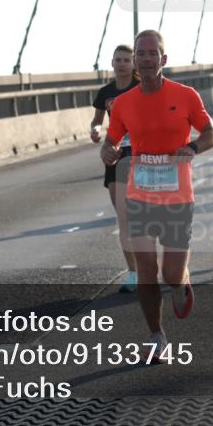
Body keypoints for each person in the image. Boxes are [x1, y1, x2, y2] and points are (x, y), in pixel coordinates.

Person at [102, 30, 213, 362]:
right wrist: (108, 151)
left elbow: (212, 133)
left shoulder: (185, 96)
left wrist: (193, 147)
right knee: (145, 269)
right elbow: (111, 140)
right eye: (142, 53)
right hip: (140, 196)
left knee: (169, 275)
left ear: (163, 59)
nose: (147, 58)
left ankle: (181, 282)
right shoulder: (124, 103)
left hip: (178, 198)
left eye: (153, 53)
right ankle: (156, 334)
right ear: (137, 61)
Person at [90, 45, 140, 293]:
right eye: (118, 60)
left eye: (126, 60)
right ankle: (134, 275)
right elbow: (98, 121)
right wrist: (96, 131)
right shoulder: (106, 92)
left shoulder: (143, 87)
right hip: (116, 153)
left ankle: (152, 265)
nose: (121, 64)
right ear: (112, 62)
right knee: (125, 217)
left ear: (133, 64)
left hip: (142, 153)